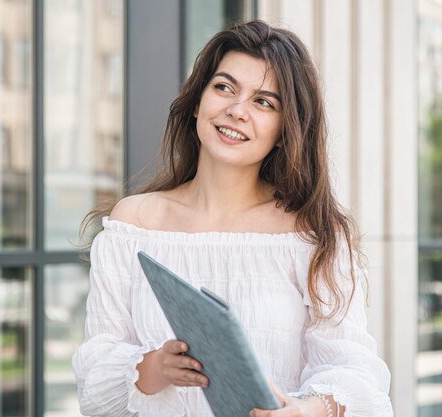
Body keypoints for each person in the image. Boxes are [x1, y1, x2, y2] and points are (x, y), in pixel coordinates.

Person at [72, 20, 393, 417]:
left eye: (264, 102)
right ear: (196, 102)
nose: (236, 111)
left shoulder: (313, 237)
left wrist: (305, 410)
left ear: (284, 130)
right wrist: (153, 367)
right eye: (224, 87)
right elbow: (94, 385)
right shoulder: (134, 223)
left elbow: (357, 374)